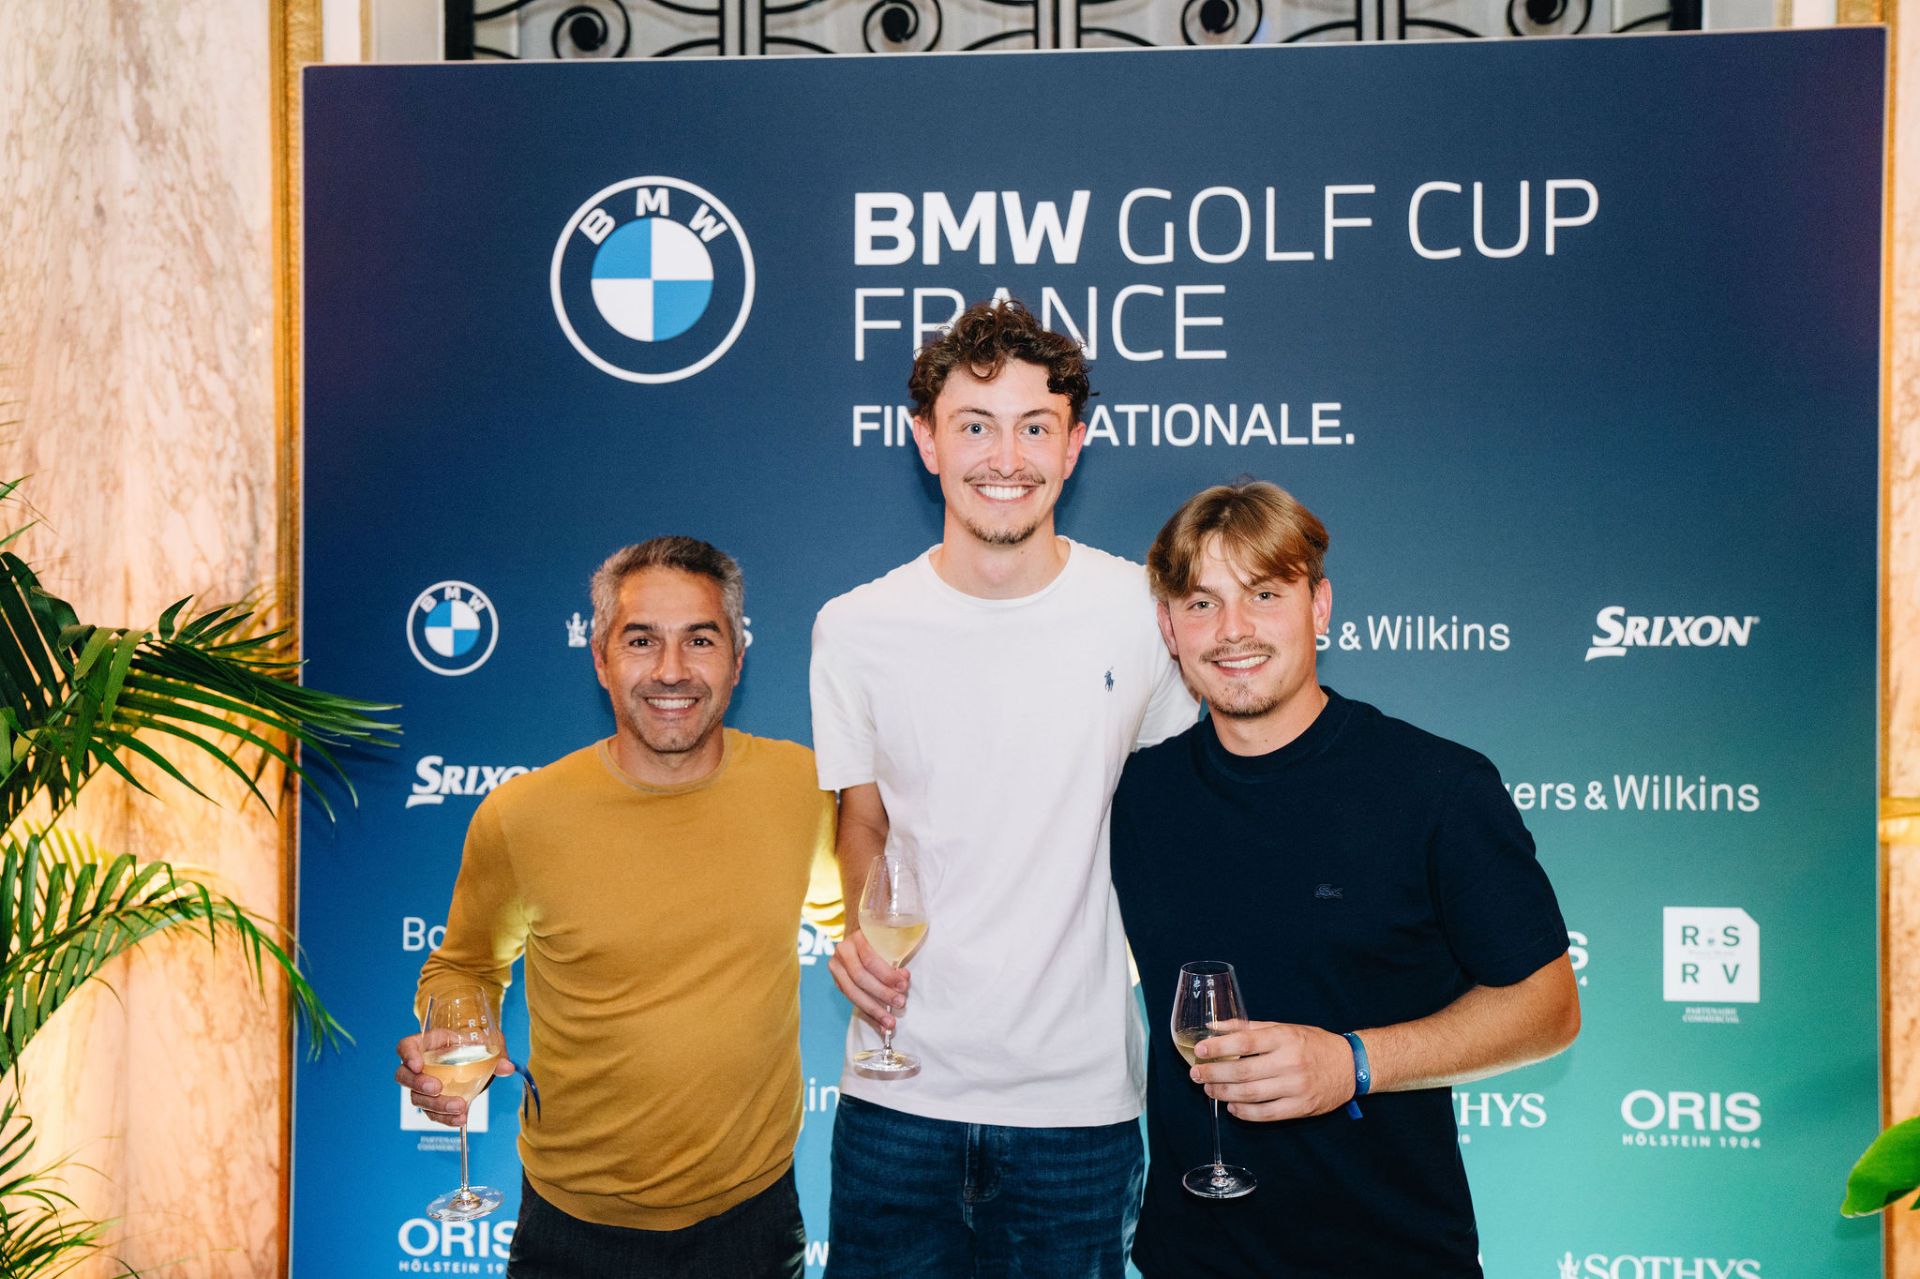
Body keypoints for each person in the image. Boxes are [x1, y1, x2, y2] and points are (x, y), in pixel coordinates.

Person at [810, 298, 1198, 1277]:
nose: (1005, 457)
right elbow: (862, 821)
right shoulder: (855, 628)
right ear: (926, 440)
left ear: (1074, 444)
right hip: (897, 1097)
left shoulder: (1141, 614)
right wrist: (863, 933)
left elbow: (1184, 819)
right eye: (975, 425)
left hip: (1079, 1110)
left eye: (1034, 427)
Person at [1108, 479, 1581, 1278]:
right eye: (1202, 603)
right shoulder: (1138, 795)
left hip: (1390, 1255)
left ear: (1319, 607)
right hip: (1190, 1256)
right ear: (1169, 628)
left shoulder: (1437, 786)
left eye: (1264, 593)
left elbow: (1549, 1006)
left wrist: (1352, 1062)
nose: (1233, 629)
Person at [395, 537, 840, 1279]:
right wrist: (453, 1044)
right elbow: (463, 967)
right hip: (572, 1231)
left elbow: (865, 926)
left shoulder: (803, 788)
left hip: (754, 1224)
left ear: (737, 658)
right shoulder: (521, 815)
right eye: (641, 641)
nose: (671, 669)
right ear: (600, 658)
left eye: (700, 639)